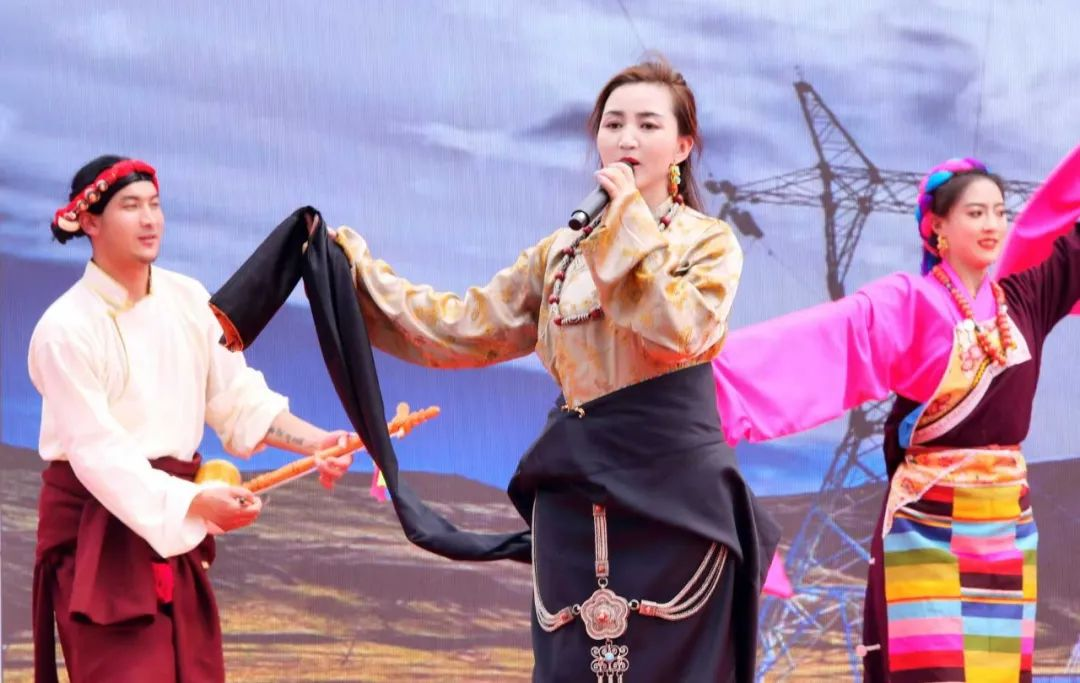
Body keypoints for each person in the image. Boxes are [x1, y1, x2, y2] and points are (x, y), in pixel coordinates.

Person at [313, 58, 779, 682]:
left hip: (673, 500)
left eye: (648, 125)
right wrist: (355, 278)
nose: (627, 138)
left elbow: (680, 332)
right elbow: (463, 328)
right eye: (613, 124)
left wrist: (627, 226)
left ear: (682, 146)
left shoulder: (708, 242)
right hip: (574, 499)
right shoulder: (561, 252)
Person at [713, 147, 1080, 681]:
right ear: (937, 228)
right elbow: (820, 344)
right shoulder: (908, 303)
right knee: (931, 671)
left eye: (1000, 212)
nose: (992, 224)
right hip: (927, 526)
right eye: (976, 212)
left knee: (998, 672)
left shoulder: (1024, 301)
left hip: (1004, 527)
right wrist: (705, 379)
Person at [29, 155, 355, 683]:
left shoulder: (189, 300)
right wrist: (193, 502)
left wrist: (318, 443)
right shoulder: (64, 329)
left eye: (155, 205)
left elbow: (236, 397)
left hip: (173, 524)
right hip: (100, 537)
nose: (149, 220)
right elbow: (97, 454)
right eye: (130, 206)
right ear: (89, 221)